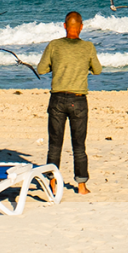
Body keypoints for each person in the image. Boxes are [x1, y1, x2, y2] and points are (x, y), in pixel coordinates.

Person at [37, 11, 102, 195]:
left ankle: (52, 183)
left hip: (57, 98)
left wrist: (56, 66)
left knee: (55, 144)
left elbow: (41, 69)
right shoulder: (88, 47)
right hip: (78, 100)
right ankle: (81, 185)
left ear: (64, 26)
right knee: (79, 145)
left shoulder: (54, 45)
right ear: (81, 27)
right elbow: (97, 70)